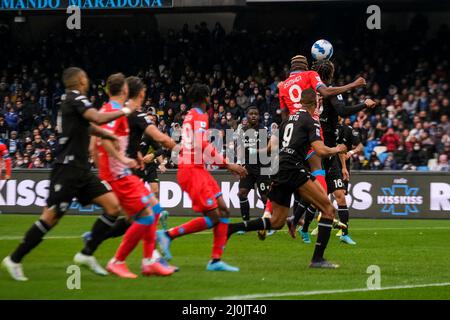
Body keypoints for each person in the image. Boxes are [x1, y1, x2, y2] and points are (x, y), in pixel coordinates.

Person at [2, 67, 137, 281]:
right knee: (50, 218)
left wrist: (106, 136)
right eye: (85, 76)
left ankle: (86, 254)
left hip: (81, 170)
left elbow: (89, 127)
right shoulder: (76, 98)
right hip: (67, 170)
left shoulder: (71, 102)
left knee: (113, 207)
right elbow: (97, 118)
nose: (87, 79)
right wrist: (126, 110)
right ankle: (15, 259)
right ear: (81, 80)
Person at [228, 89, 347, 268]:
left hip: (280, 167)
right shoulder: (311, 119)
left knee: (276, 222)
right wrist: (337, 149)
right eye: (318, 101)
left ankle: (232, 229)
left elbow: (273, 147)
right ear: (315, 103)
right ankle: (317, 259)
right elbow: (321, 151)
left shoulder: (287, 120)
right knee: (328, 209)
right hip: (293, 168)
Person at [156, 83, 247, 272]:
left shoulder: (191, 114)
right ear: (205, 97)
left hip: (198, 169)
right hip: (191, 170)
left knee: (224, 210)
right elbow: (201, 143)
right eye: (209, 96)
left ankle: (216, 261)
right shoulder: (200, 115)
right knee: (215, 216)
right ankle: (168, 235)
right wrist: (227, 163)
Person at [95, 74, 176, 278]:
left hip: (123, 170)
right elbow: (160, 139)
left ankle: (149, 260)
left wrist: (134, 154)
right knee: (147, 215)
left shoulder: (114, 111)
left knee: (150, 211)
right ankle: (118, 259)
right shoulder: (132, 114)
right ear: (140, 94)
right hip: (121, 173)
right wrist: (179, 146)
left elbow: (105, 139)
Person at [287, 59, 375, 245]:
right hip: (321, 149)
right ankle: (301, 226)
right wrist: (364, 105)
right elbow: (342, 111)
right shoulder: (330, 91)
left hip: (324, 150)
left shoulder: (313, 92)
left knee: (338, 193)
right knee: (320, 195)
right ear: (331, 73)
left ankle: (343, 233)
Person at [236, 106, 271, 235]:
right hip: (248, 168)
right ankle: (245, 224)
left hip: (262, 167)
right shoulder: (243, 130)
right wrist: (239, 164)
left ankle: (269, 224)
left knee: (265, 197)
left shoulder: (263, 129)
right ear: (247, 115)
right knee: (242, 193)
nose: (254, 116)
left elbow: (269, 148)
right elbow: (240, 147)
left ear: (259, 116)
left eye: (256, 114)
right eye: (251, 113)